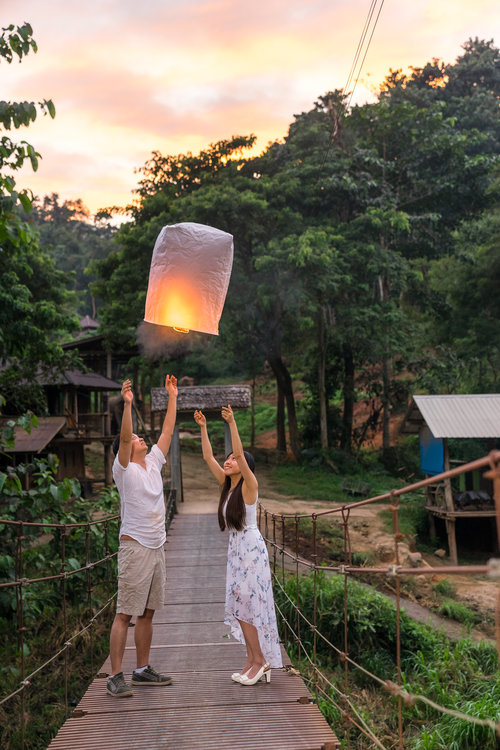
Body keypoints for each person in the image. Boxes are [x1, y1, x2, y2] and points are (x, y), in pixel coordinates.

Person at [193, 404, 282, 685]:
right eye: (227, 459)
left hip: (251, 550)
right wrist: (204, 428)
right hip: (236, 550)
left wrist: (232, 423)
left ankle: (261, 661)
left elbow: (242, 455)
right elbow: (208, 456)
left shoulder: (249, 486)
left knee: (248, 604)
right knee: (240, 606)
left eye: (233, 460)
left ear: (244, 468)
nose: (228, 461)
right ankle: (252, 660)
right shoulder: (227, 486)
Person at [107, 375, 177, 698]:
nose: (138, 438)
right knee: (125, 612)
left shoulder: (151, 463)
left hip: (157, 546)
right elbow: (122, 441)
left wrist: (172, 396)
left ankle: (142, 670)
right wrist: (128, 404)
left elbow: (166, 432)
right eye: (135, 437)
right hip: (134, 547)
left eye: (137, 436)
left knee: (148, 612)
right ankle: (115, 676)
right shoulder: (124, 470)